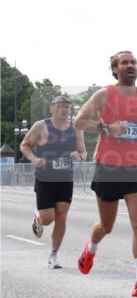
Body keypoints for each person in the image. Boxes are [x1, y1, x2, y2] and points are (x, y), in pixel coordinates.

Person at [74, 50, 137, 298]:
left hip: (135, 167)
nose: (130, 65)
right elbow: (79, 121)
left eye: (133, 62)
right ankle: (90, 248)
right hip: (108, 168)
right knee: (107, 226)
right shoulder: (104, 95)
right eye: (125, 63)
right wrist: (107, 128)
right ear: (114, 70)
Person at [20, 95, 87, 269]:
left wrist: (78, 156)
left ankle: (54, 255)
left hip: (65, 179)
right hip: (45, 179)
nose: (64, 109)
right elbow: (24, 144)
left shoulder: (76, 128)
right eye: (60, 106)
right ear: (52, 108)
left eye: (67, 106)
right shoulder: (41, 126)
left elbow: (83, 152)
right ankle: (38, 218)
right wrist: (34, 159)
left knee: (61, 216)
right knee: (48, 218)